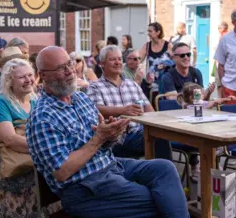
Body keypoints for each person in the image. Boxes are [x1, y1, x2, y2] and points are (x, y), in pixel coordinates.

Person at [26, 46, 188, 218]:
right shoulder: (42, 117)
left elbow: (100, 143)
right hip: (84, 188)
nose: (69, 71)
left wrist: (111, 135)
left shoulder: (79, 98)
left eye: (69, 64)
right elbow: (62, 171)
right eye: (60, 68)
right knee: (161, 199)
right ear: (42, 75)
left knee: (164, 168)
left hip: (109, 166)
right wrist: (99, 138)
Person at [88, 45, 173, 160]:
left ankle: (161, 171)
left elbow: (150, 111)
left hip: (138, 133)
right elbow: (96, 109)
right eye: (112, 59)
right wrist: (123, 110)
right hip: (116, 139)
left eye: (119, 59)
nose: (118, 62)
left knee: (161, 132)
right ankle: (163, 173)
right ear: (102, 63)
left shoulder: (132, 84)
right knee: (158, 137)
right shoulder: (95, 86)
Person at [0, 58, 38, 218]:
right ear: (9, 81)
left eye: (30, 75)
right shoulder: (0, 102)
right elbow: (9, 139)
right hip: (10, 160)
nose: (29, 80)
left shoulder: (35, 99)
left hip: (33, 155)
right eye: (22, 77)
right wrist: (43, 149)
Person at [139, 22, 173, 93]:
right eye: (148, 31)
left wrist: (166, 64)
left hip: (166, 82)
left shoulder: (168, 45)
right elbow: (138, 59)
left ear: (158, 32)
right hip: (151, 83)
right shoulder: (147, 46)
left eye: (150, 31)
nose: (148, 33)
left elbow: (176, 61)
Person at [214, 22, 229, 98]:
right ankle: (220, 99)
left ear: (224, 28)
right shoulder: (221, 36)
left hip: (223, 64)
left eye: (220, 28)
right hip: (219, 61)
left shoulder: (225, 36)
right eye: (218, 28)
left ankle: (221, 99)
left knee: (221, 82)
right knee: (219, 83)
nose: (218, 30)